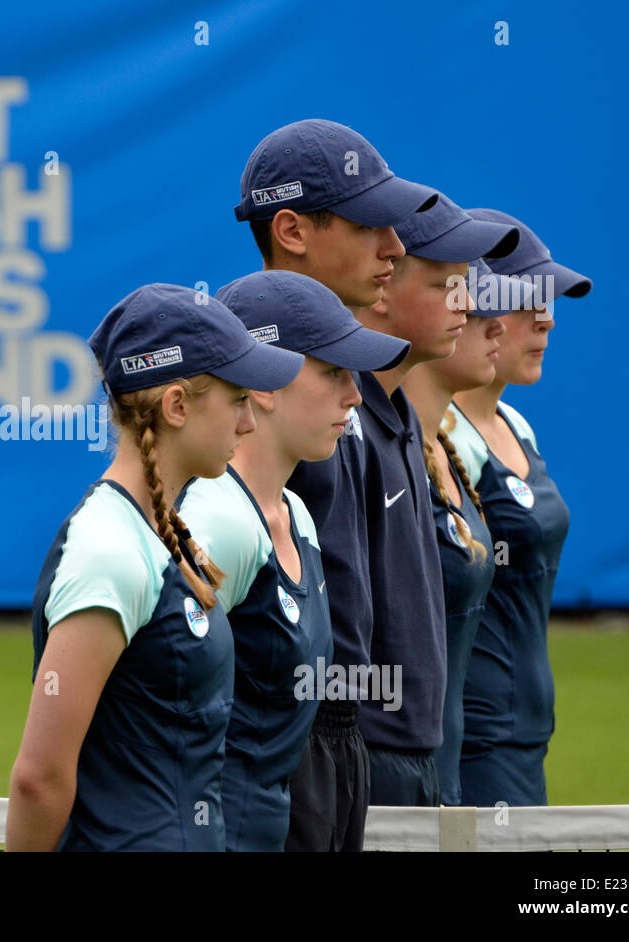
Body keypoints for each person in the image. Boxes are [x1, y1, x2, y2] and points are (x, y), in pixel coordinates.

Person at [5, 283, 304, 851]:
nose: (249, 423)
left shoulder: (164, 532)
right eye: (238, 398)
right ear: (176, 406)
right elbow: (38, 779)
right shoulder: (108, 550)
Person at [233, 117, 436, 849]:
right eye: (369, 224)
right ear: (291, 229)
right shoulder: (259, 407)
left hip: (353, 746)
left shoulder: (344, 402)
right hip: (300, 753)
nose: (396, 248)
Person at [178, 270, 408, 850]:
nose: (355, 396)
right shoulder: (215, 519)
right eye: (333, 372)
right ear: (262, 383)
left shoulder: (299, 516)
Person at [349, 192, 518, 807]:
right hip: (366, 774)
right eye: (448, 283)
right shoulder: (340, 430)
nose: (471, 305)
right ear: (384, 286)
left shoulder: (398, 422)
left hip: (425, 768)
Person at [446, 209, 592, 807]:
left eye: (550, 302)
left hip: (527, 734)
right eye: (528, 301)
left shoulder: (517, 425)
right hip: (473, 740)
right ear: (475, 308)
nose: (547, 320)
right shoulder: (440, 439)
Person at [402, 257, 536, 806]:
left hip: (462, 760)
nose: (496, 324)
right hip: (426, 763)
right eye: (476, 306)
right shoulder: (372, 450)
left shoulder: (447, 451)